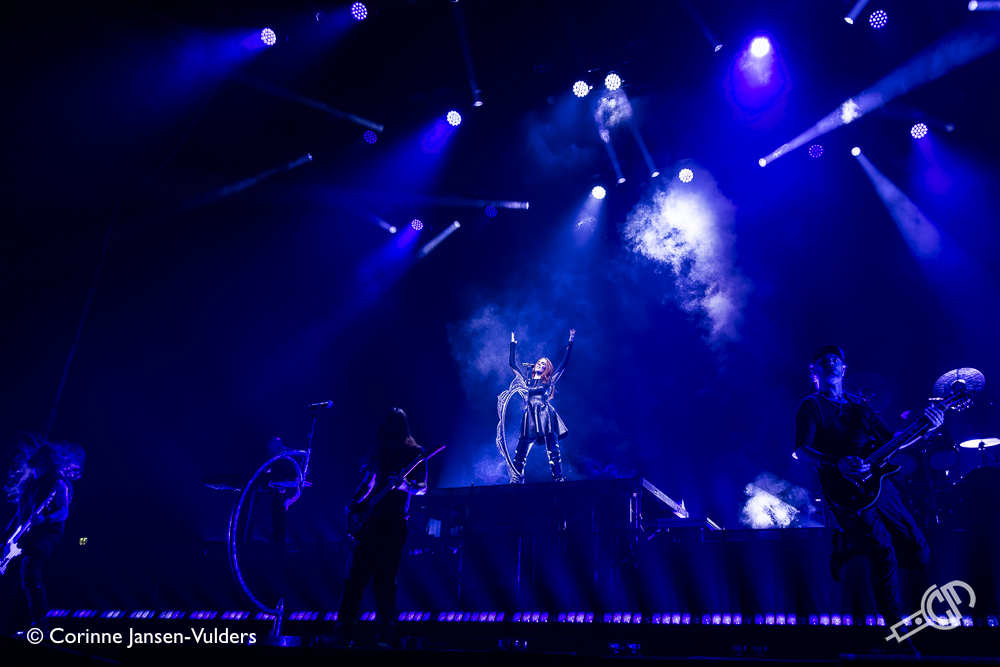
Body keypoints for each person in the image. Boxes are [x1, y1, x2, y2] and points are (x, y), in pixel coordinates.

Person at [793, 345, 943, 652]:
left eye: (836, 359)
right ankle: (898, 636)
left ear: (844, 369)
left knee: (919, 554)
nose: (831, 362)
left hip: (881, 485)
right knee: (883, 553)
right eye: (823, 360)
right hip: (845, 490)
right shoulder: (810, 405)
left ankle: (849, 543)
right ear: (814, 371)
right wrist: (837, 463)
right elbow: (801, 452)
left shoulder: (861, 406)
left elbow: (894, 441)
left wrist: (927, 428)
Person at [326, 408, 427, 648]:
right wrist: (353, 503)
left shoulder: (415, 453)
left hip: (393, 522)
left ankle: (384, 637)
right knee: (352, 580)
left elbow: (422, 488)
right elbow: (368, 483)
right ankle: (342, 634)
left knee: (385, 582)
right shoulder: (380, 451)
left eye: (393, 424)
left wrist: (405, 485)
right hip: (369, 523)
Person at [3, 434, 85, 633]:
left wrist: (45, 520)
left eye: (41, 456)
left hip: (47, 533)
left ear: (48, 461)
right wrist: (6, 540)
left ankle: (41, 627)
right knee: (8, 578)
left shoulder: (58, 482)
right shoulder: (28, 484)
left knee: (30, 572)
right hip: (24, 535)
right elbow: (19, 516)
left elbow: (63, 512)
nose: (36, 457)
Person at [508, 329, 575, 483]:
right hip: (530, 417)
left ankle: (558, 479)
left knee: (553, 451)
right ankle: (516, 480)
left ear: (547, 369)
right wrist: (512, 344)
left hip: (546, 416)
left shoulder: (549, 381)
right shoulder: (525, 381)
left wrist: (570, 342)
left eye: (543, 364)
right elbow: (512, 364)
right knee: (520, 453)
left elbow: (563, 364)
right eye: (539, 362)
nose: (540, 364)